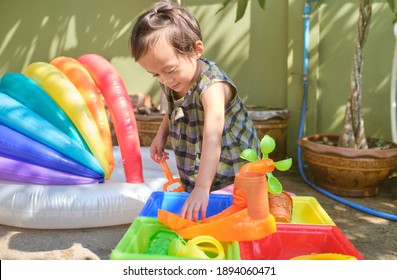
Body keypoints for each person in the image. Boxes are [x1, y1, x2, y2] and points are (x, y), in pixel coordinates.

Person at [129, 0, 260, 221]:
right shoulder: (174, 79)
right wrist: (162, 135)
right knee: (200, 211)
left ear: (196, 50)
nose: (165, 80)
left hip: (233, 171)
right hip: (201, 166)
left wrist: (202, 188)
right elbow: (173, 107)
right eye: (156, 75)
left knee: (230, 215)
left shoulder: (212, 87)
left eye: (169, 70)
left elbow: (212, 138)